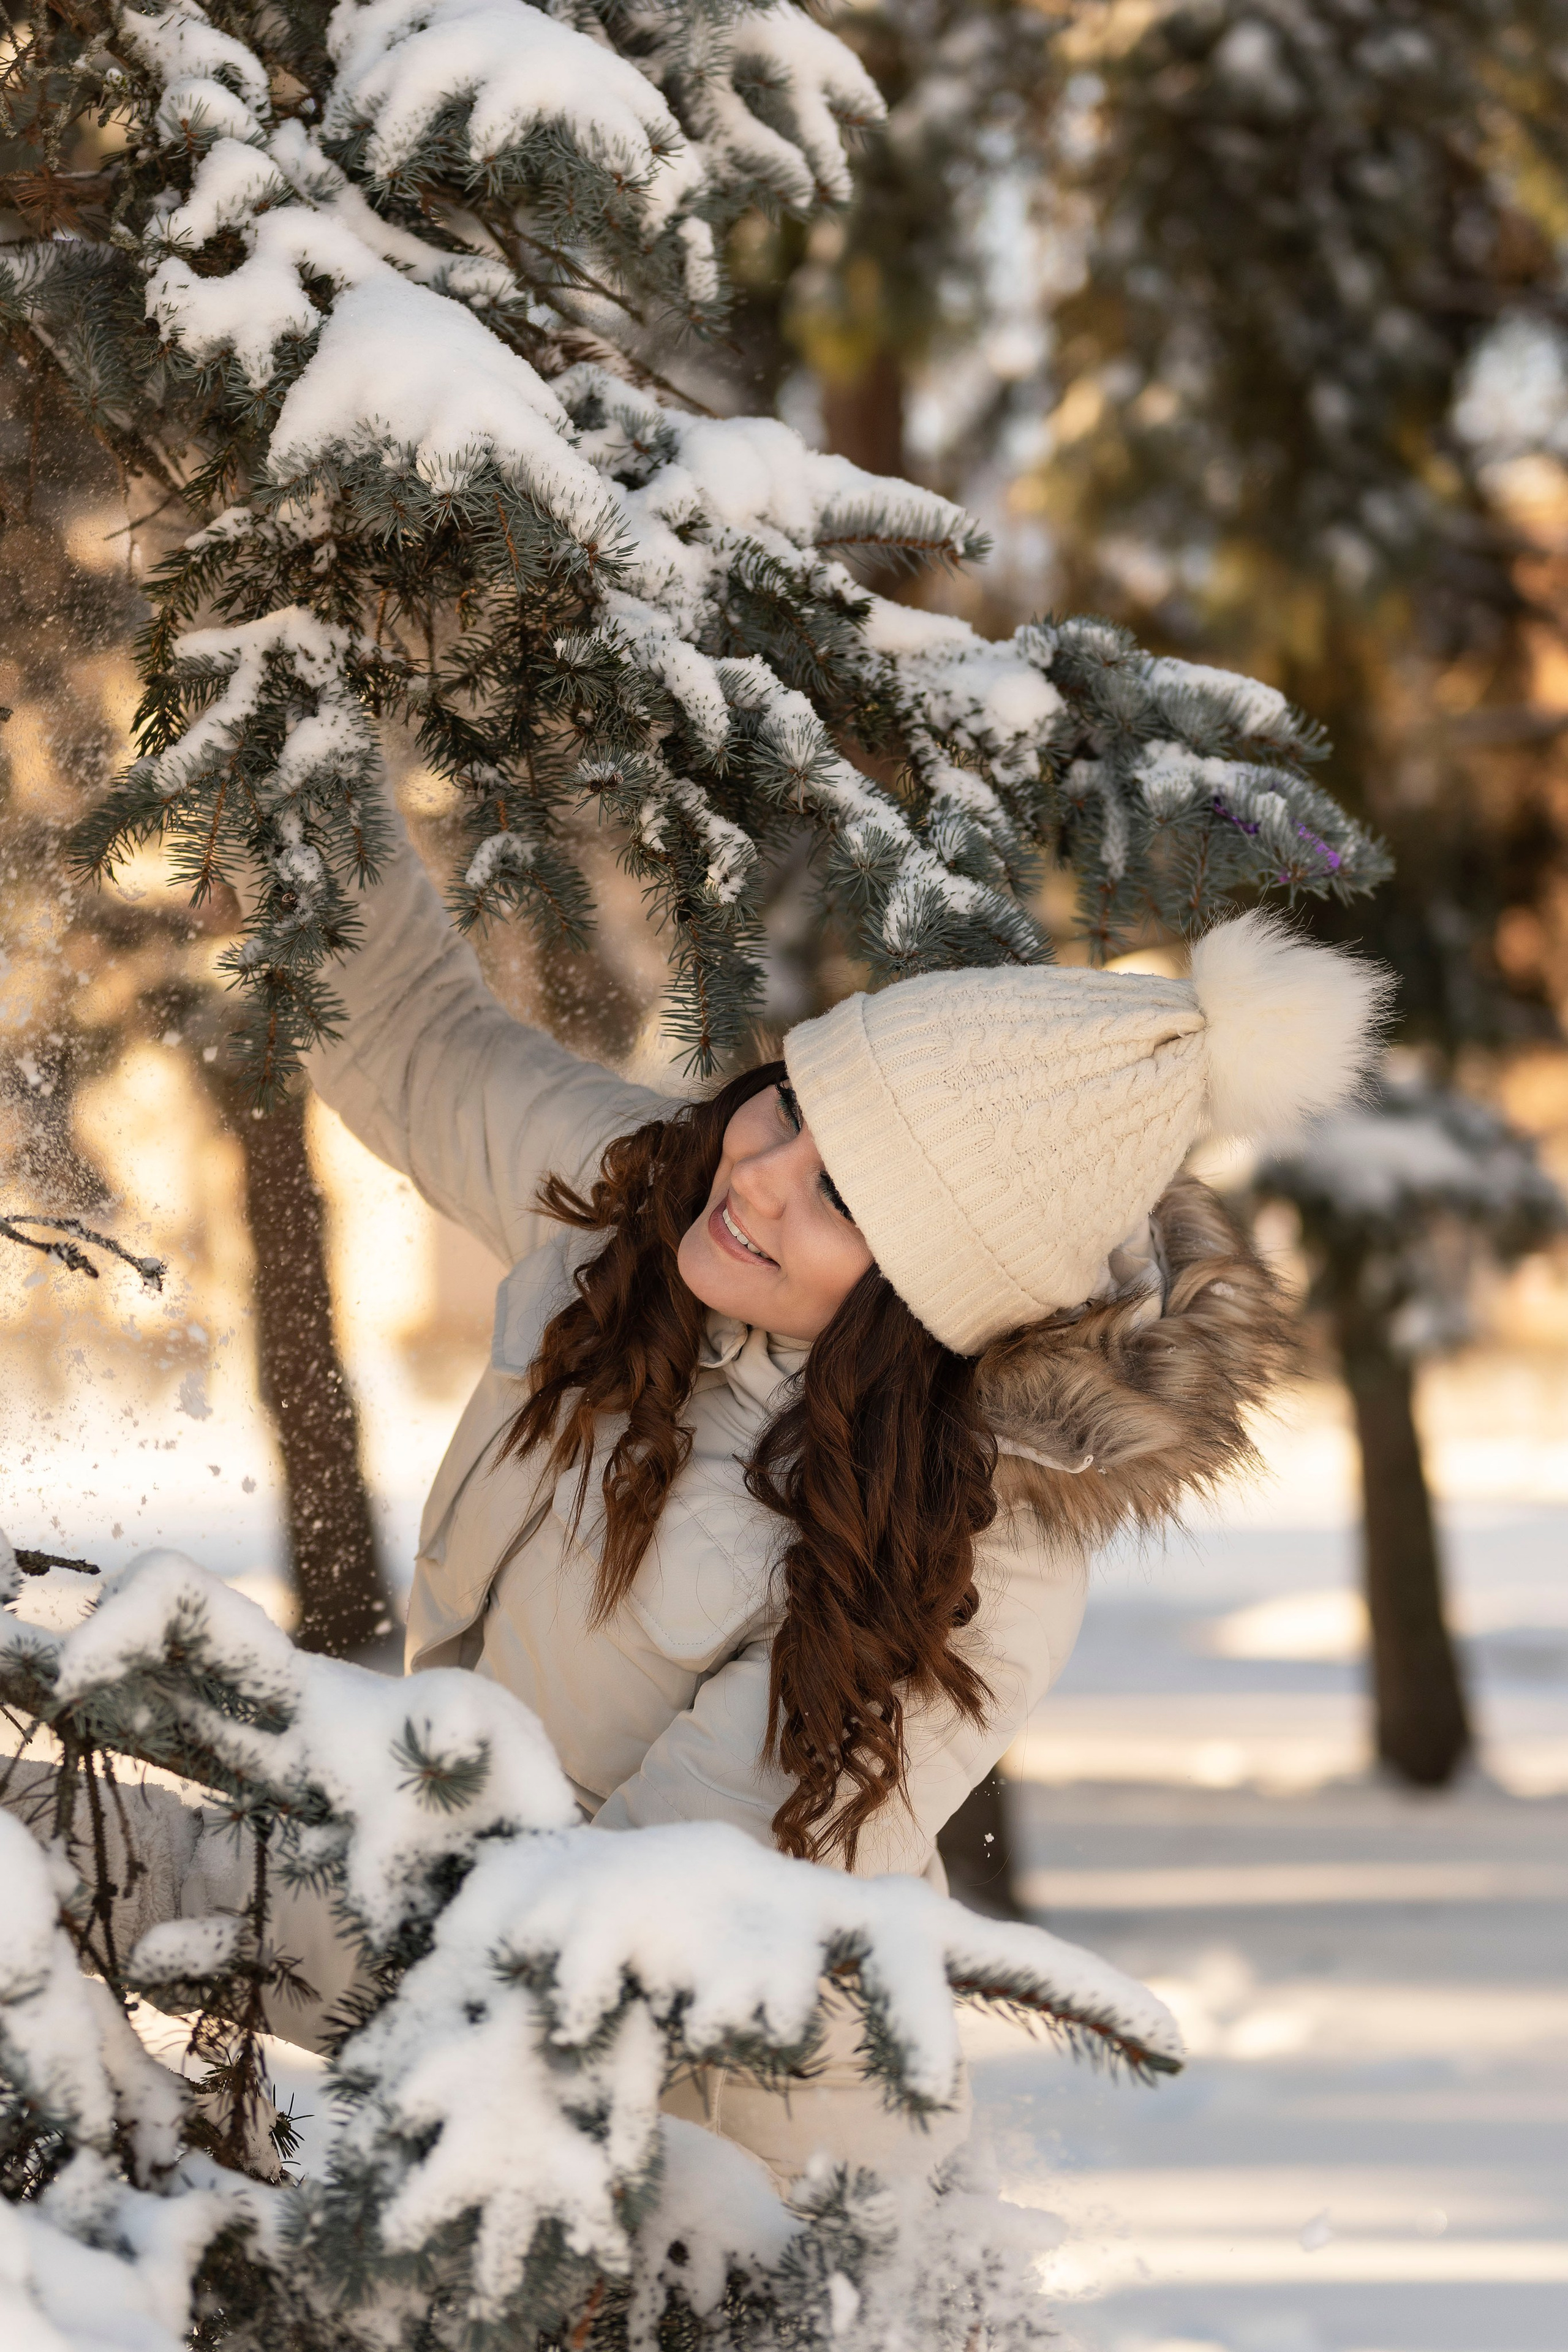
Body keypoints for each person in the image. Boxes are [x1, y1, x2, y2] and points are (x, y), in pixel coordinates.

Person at [279, 821, 1385, 2186]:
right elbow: (410, 1038)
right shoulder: (656, 1200)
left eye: (840, 1195)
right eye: (795, 1106)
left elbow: (635, 1919)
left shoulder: (974, 1555)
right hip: (474, 2068)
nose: (757, 1176)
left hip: (745, 2202)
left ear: (928, 1304)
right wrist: (296, 769)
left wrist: (174, 1885)